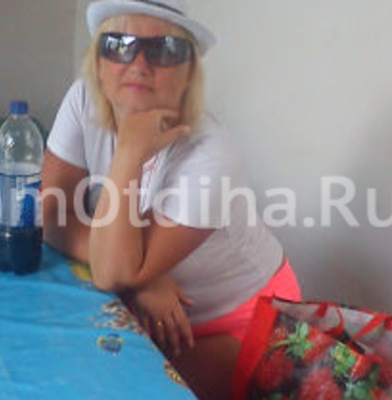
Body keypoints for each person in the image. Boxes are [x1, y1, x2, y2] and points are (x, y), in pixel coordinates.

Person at [40, 0, 301, 398]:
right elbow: (51, 212)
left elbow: (111, 272)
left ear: (188, 73)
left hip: (243, 320)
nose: (139, 64)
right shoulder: (83, 101)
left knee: (117, 388)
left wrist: (129, 150)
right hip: (146, 302)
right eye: (119, 44)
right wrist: (143, 279)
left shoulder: (211, 155)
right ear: (98, 61)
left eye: (163, 50)